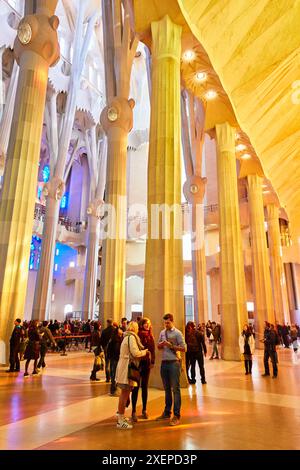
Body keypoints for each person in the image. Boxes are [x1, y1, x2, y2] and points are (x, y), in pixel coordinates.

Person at [115, 321, 149, 430]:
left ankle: (121, 416)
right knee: (124, 395)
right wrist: (145, 352)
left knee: (124, 394)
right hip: (126, 369)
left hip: (124, 367)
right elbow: (136, 353)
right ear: (135, 329)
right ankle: (120, 420)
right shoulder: (131, 338)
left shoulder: (127, 337)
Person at [156, 313, 187, 426]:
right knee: (167, 389)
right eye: (165, 323)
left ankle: (176, 415)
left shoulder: (178, 333)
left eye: (168, 322)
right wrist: (161, 344)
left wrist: (172, 346)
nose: (166, 324)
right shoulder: (162, 333)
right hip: (164, 363)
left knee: (176, 389)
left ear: (172, 321)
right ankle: (166, 412)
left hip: (174, 363)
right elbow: (158, 346)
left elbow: (184, 348)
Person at [131, 318, 155, 421]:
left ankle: (144, 409)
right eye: (145, 323)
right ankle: (133, 411)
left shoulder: (151, 336)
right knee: (136, 387)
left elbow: (153, 350)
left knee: (145, 387)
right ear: (142, 324)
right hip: (138, 363)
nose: (147, 325)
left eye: (149, 323)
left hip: (146, 363)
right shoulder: (138, 335)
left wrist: (153, 361)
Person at [107, 327, 124, 395]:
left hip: (114, 359)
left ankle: (114, 390)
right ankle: (114, 390)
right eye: (120, 330)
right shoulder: (116, 340)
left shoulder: (118, 339)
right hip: (115, 359)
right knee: (114, 375)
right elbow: (115, 350)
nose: (121, 331)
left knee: (114, 375)